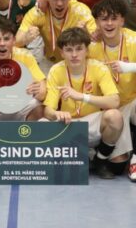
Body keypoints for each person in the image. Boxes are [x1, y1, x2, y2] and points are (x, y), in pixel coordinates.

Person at [87, 0, 136, 182]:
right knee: (117, 167)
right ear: (96, 22)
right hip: (109, 108)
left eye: (114, 18)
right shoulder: (91, 45)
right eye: (104, 19)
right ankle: (105, 151)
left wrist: (129, 67)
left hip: (133, 102)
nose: (109, 23)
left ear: (122, 20)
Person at [42, 27, 126, 179]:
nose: (74, 55)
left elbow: (115, 101)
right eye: (69, 50)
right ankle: (76, 157)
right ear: (62, 53)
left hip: (92, 125)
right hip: (68, 124)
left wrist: (82, 97)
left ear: (87, 50)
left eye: (79, 49)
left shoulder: (99, 68)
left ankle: (101, 160)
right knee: (41, 124)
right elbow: (48, 110)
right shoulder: (56, 70)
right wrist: (57, 114)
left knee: (115, 116)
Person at [16, 0, 96, 71]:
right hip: (50, 62)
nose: (59, 3)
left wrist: (86, 34)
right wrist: (25, 38)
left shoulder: (81, 12)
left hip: (78, 62)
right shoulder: (39, 12)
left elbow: (97, 43)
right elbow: (16, 42)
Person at [0, 19, 46, 121]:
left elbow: (42, 92)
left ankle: (25, 131)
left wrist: (36, 91)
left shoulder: (25, 55)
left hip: (19, 104)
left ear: (14, 40)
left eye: (7, 39)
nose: (2, 43)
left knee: (37, 106)